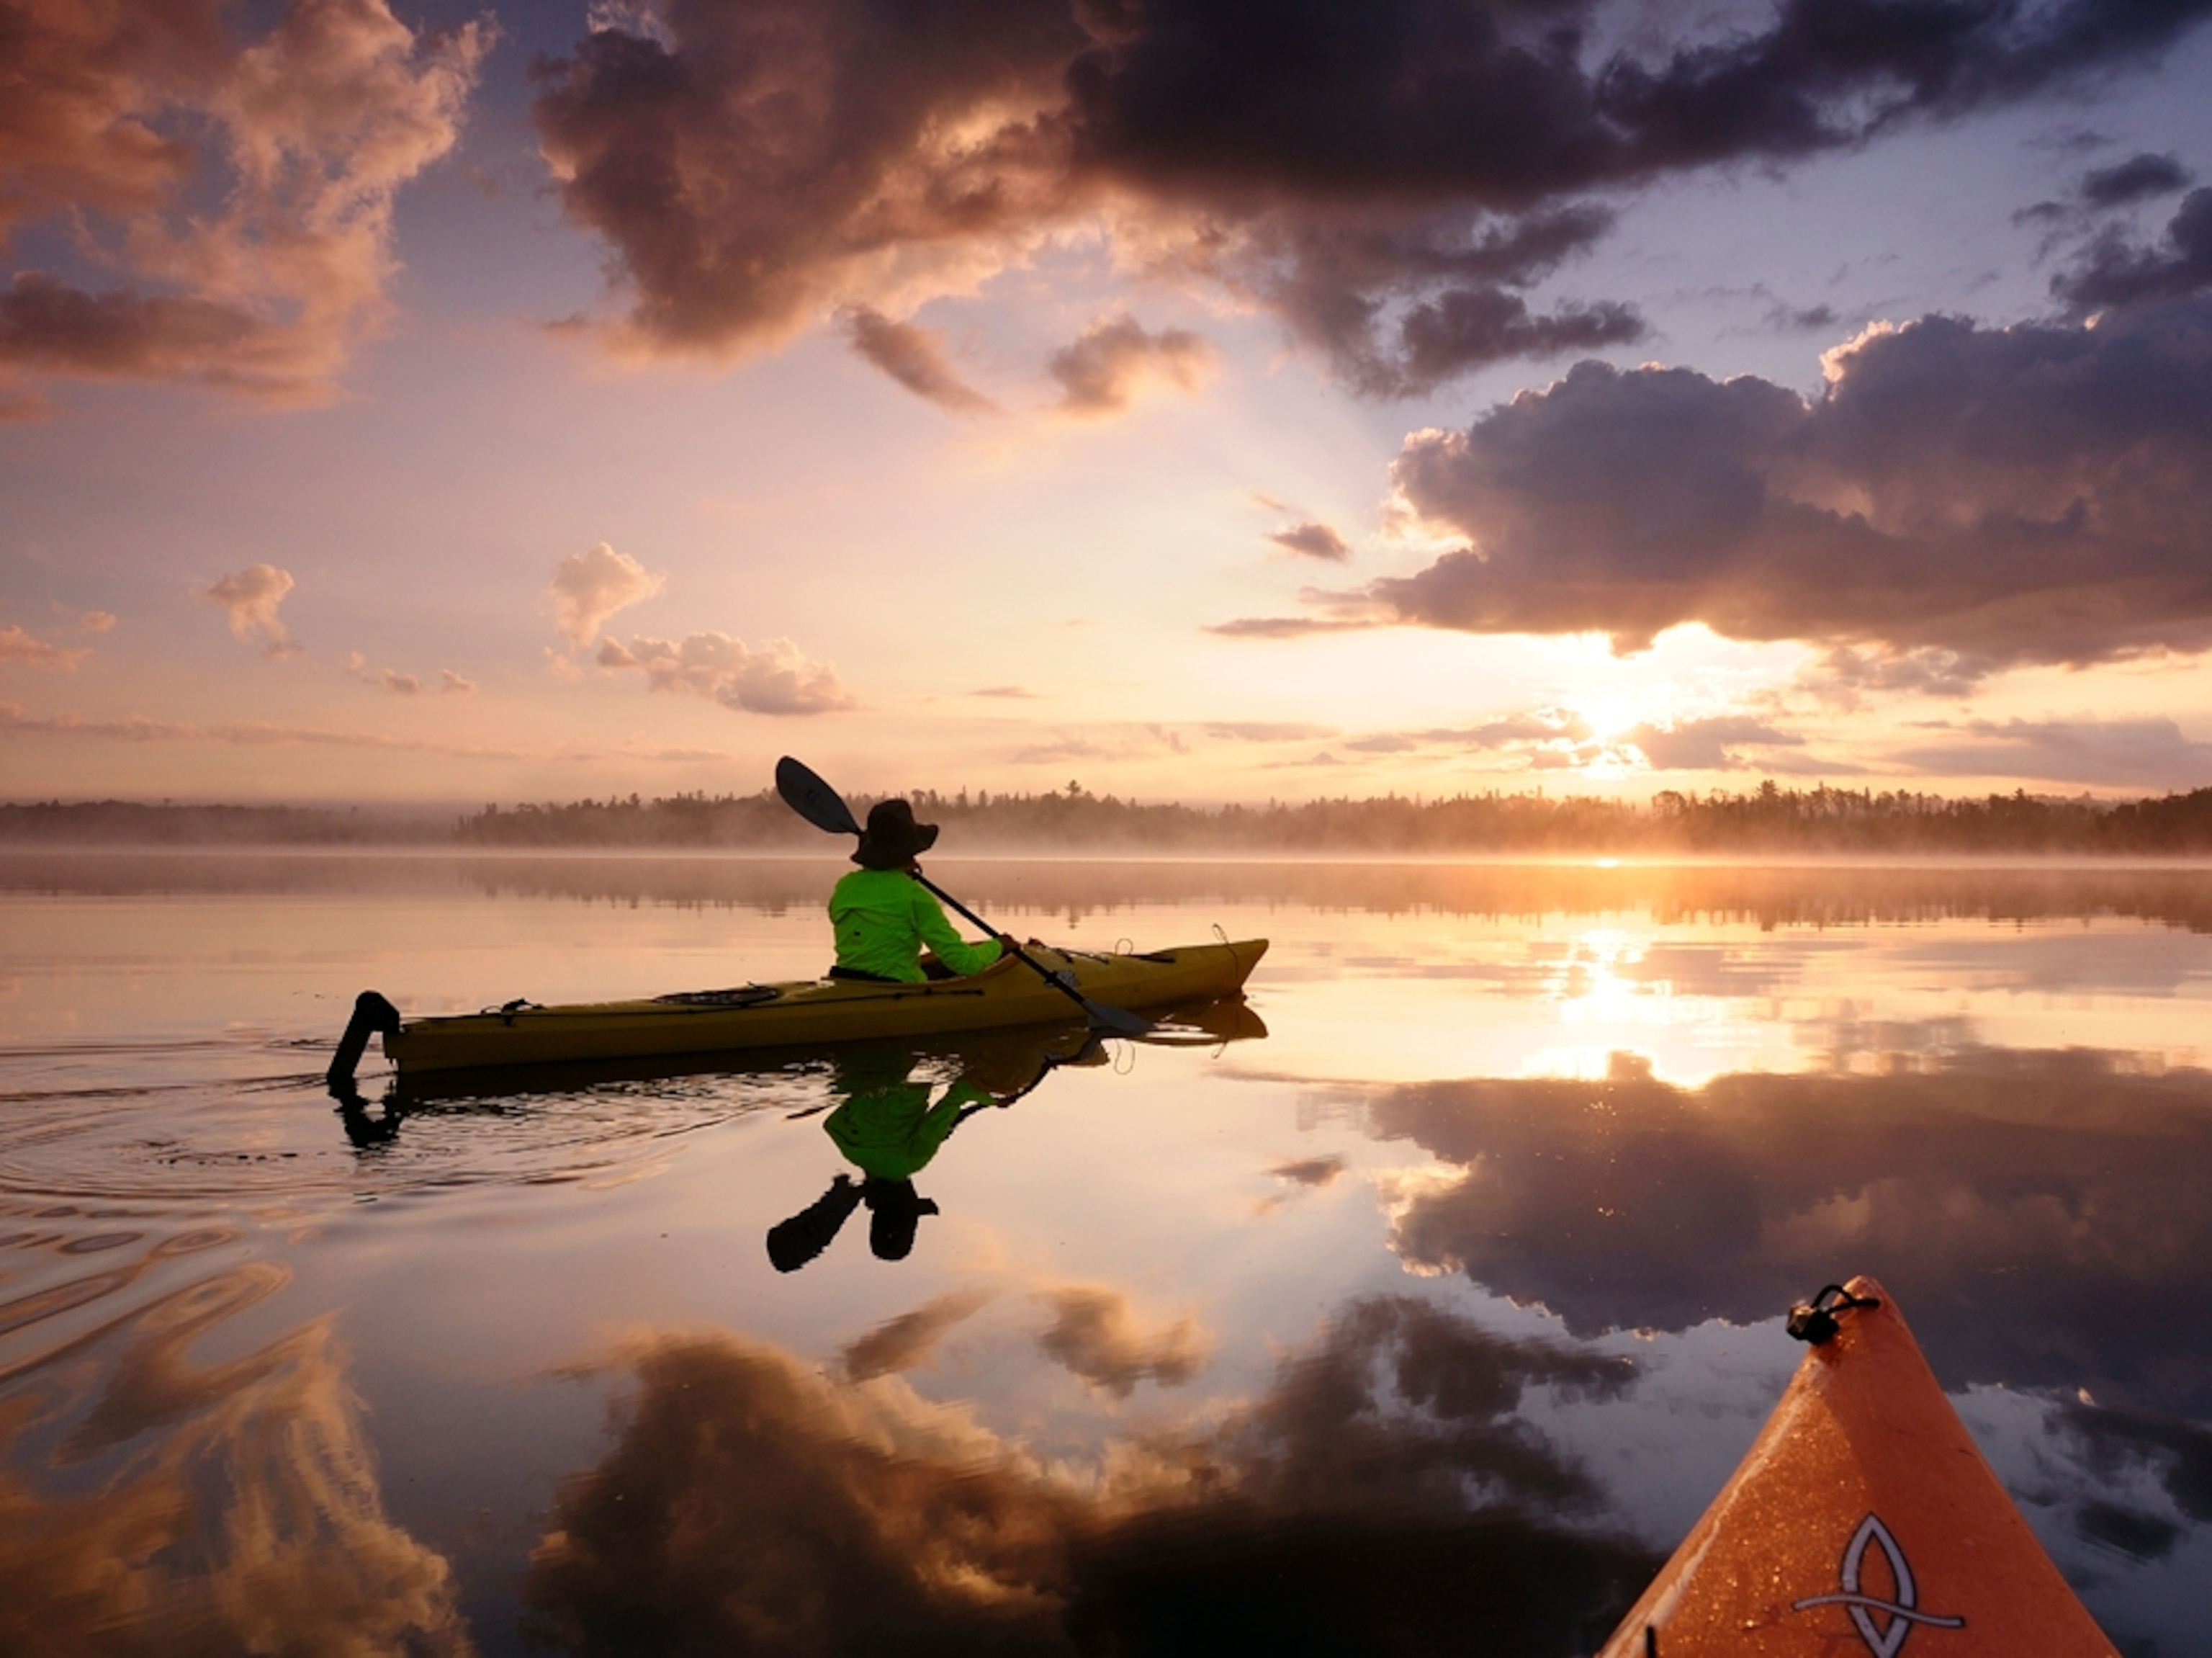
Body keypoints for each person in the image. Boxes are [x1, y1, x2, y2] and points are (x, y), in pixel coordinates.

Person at [827, 799, 1012, 984]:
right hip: (896, 988)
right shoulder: (915, 897)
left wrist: (897, 872)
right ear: (910, 851)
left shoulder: (845, 886)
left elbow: (875, 927)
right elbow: (967, 965)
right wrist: (1000, 946)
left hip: (845, 981)